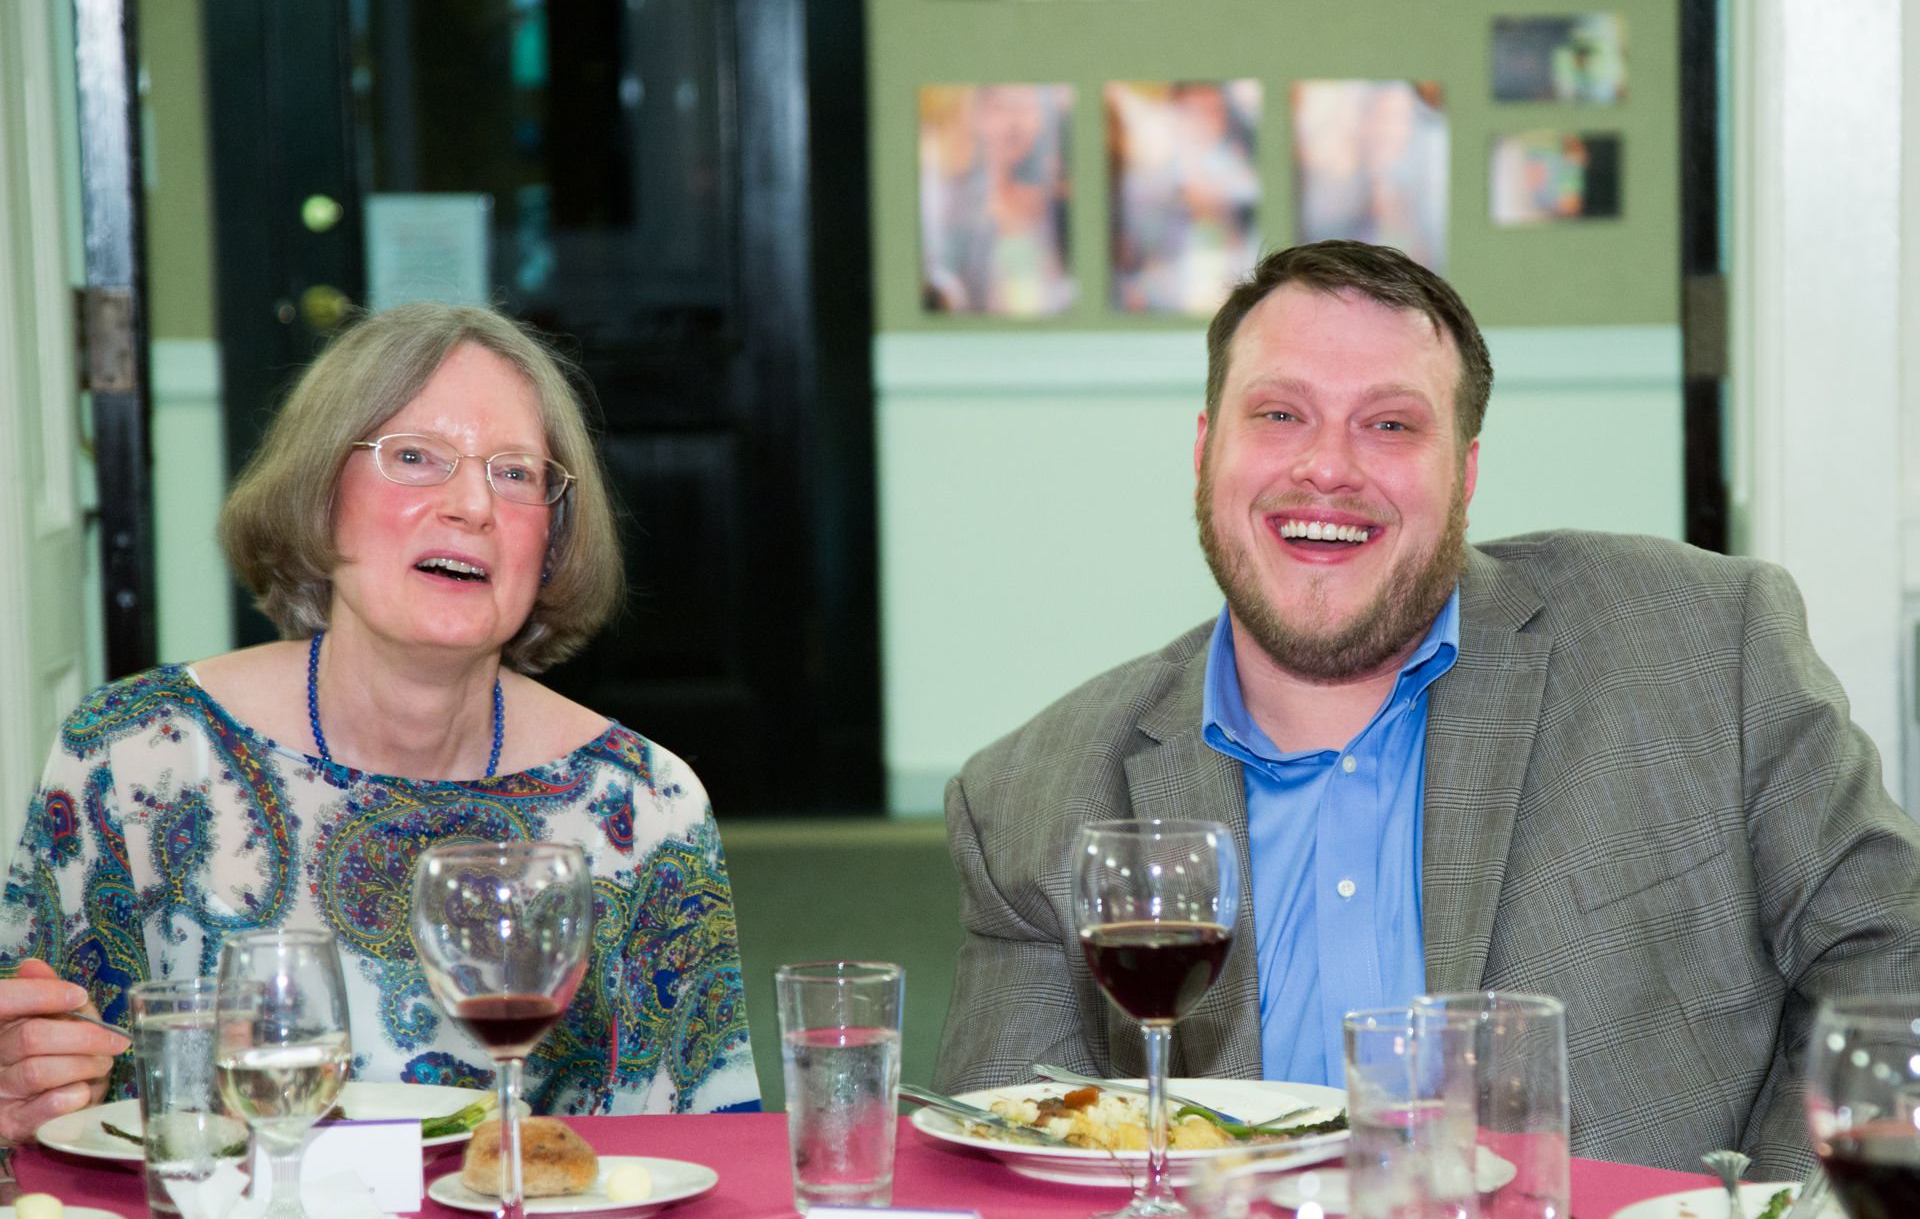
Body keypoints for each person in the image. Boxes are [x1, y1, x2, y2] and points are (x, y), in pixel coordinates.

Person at [934, 239, 1920, 1177]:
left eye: (1391, 424)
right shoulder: (1032, 800)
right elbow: (1005, 1151)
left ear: (1466, 473)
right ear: (1204, 451)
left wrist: (1774, 1205)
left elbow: (1893, 957)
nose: (1328, 466)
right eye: (1279, 414)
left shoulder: (1700, 647)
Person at [0, 303, 759, 1142]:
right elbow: (48, 1109)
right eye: (415, 457)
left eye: (515, 473)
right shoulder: (134, 758)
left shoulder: (644, 804)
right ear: (320, 496)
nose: (472, 504)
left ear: (550, 543)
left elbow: (709, 1149)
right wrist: (22, 1095)